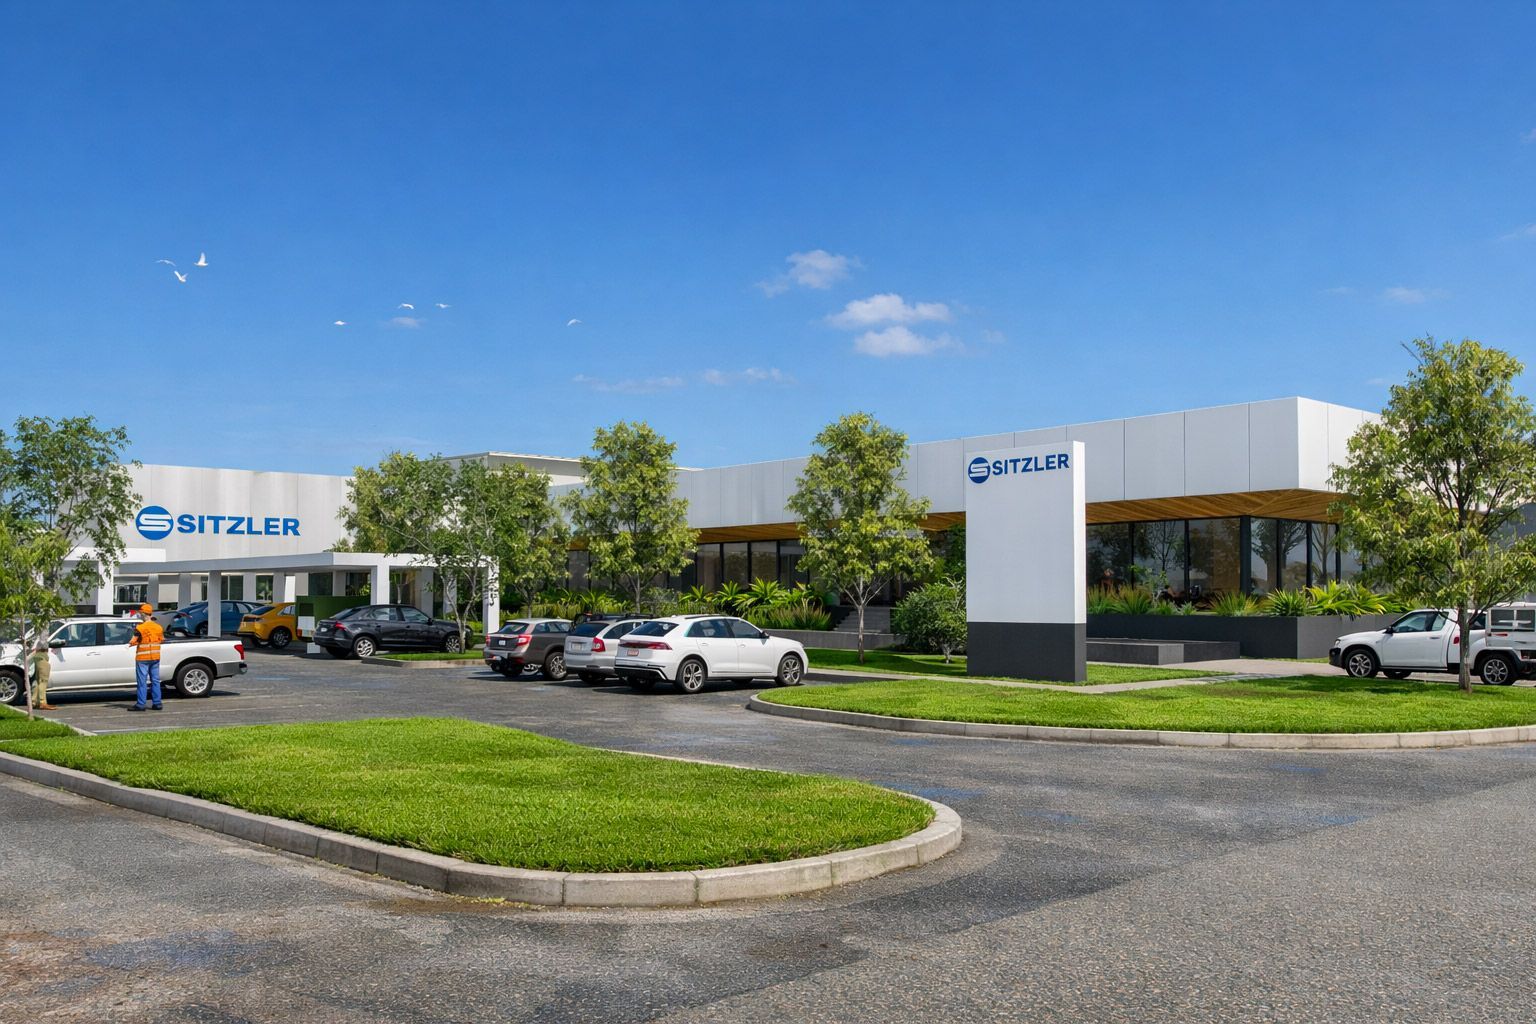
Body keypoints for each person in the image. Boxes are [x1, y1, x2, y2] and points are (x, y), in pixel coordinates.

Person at [128, 602, 164, 712]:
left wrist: (132, 643)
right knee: (155, 681)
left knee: (142, 682)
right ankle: (157, 703)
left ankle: (141, 704)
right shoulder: (158, 627)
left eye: (140, 613)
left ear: (143, 614)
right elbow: (162, 640)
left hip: (143, 659)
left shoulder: (140, 628)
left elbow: (132, 641)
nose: (139, 615)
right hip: (155, 657)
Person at [27, 636, 55, 712]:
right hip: (42, 657)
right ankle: (43, 703)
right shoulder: (43, 635)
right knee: (43, 681)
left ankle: (34, 702)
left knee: (37, 680)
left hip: (37, 656)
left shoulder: (37, 636)